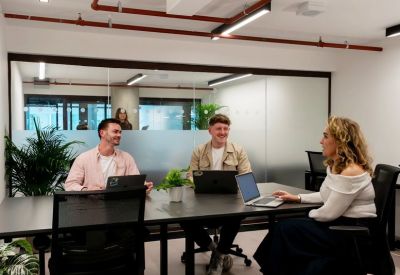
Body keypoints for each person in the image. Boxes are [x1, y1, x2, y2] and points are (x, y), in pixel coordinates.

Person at [253, 116, 377, 275]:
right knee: (285, 229)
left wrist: (309, 215)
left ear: (340, 141)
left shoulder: (350, 171)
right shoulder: (337, 166)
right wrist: (297, 198)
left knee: (285, 229)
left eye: (326, 136)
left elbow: (328, 213)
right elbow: (326, 195)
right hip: (339, 223)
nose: (320, 141)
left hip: (351, 231)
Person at [181, 114, 252, 275]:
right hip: (202, 203)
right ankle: (216, 250)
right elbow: (190, 176)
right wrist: (194, 182)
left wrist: (250, 196)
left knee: (236, 216)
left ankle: (218, 256)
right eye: (218, 128)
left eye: (226, 128)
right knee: (184, 220)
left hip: (229, 202)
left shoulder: (238, 150)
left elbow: (246, 176)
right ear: (210, 130)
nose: (223, 132)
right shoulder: (199, 150)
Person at [65, 118, 152, 192]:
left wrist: (144, 186)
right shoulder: (83, 159)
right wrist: (86, 191)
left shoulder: (127, 158)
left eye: (120, 132)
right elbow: (70, 185)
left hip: (119, 206)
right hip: (91, 206)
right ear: (102, 133)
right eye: (115, 131)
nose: (119, 135)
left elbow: (135, 181)